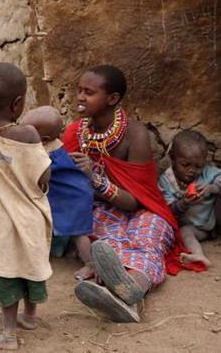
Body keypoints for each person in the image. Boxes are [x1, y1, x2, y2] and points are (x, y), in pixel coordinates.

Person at [63, 65, 205, 323]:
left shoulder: (135, 134)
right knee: (109, 245)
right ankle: (128, 298)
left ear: (112, 99)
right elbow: (70, 193)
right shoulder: (75, 133)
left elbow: (135, 200)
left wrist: (95, 178)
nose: (80, 97)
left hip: (143, 208)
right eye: (79, 91)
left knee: (149, 239)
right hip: (101, 211)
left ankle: (130, 289)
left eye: (89, 92)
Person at [0, 62, 53, 350]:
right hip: (31, 220)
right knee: (31, 268)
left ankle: (8, 333)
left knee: (6, 276)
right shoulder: (29, 135)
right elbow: (43, 177)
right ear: (18, 104)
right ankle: (30, 316)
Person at [20, 106, 94, 281]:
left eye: (26, 132)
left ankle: (91, 264)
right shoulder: (53, 145)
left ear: (43, 139)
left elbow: (38, 176)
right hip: (73, 192)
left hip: (72, 198)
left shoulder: (45, 154)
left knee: (79, 233)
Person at [158, 130, 221, 267]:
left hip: (213, 222)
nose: (192, 170)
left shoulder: (208, 172)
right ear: (173, 160)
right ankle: (198, 255)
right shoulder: (167, 180)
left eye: (198, 166)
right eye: (186, 165)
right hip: (195, 229)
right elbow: (168, 209)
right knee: (185, 232)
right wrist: (184, 203)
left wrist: (211, 188)